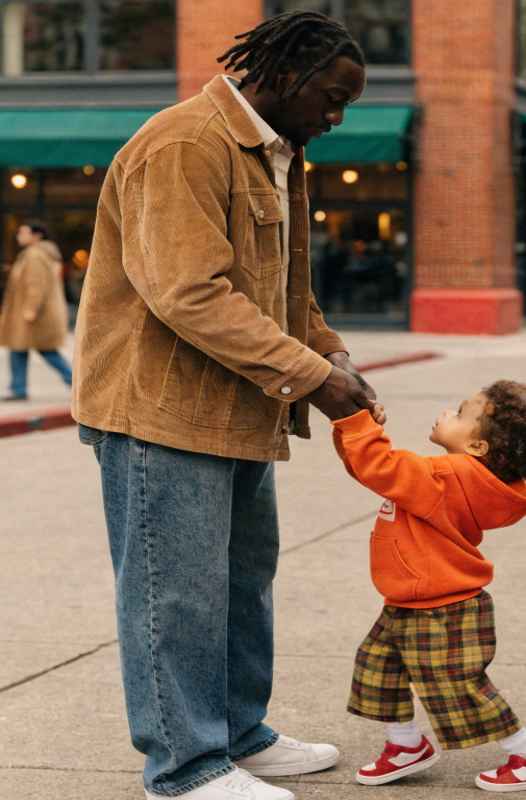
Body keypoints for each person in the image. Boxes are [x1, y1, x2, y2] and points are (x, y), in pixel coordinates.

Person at [72, 12, 380, 800]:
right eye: (333, 98)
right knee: (173, 591)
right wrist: (311, 375)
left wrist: (329, 347)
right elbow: (191, 292)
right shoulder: (185, 144)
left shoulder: (277, 154)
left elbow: (282, 285)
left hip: (237, 406)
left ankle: (239, 735)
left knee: (243, 579)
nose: (338, 117)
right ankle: (185, 765)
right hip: (158, 412)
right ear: (282, 74)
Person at [331, 381, 526, 793]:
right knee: (379, 669)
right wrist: (354, 430)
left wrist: (355, 422)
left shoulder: (446, 475)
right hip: (411, 599)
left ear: (477, 448)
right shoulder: (455, 478)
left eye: (458, 414)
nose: (446, 414)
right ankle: (406, 746)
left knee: (457, 685)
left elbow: (380, 467)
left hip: (437, 607)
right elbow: (376, 473)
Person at [0, 220, 72, 400]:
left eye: (23, 232)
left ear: (37, 235)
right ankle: (18, 388)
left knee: (47, 351)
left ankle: (76, 383)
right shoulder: (33, 254)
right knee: (18, 348)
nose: (19, 236)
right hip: (33, 313)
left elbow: (37, 285)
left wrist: (31, 309)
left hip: (36, 314)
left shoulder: (36, 255)